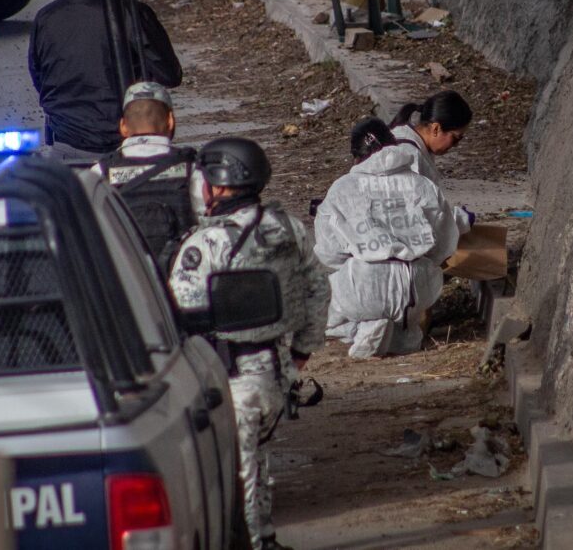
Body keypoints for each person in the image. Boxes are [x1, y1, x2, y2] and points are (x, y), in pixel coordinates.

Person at [169, 138, 328, 550]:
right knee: (256, 459)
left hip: (232, 377)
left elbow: (179, 314)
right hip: (278, 371)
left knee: (237, 472)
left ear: (220, 184)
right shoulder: (287, 226)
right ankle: (267, 537)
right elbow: (317, 286)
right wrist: (303, 347)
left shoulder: (205, 245)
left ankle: (254, 543)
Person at [314, 118, 459, 358]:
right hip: (418, 285)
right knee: (407, 325)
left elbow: (330, 254)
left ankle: (364, 326)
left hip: (365, 285)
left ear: (357, 156)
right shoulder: (422, 185)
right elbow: (444, 244)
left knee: (326, 301)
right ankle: (405, 334)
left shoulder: (343, 188)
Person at [29, 0, 182, 161]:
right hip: (124, 145)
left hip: (65, 143)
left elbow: (39, 77)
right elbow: (170, 75)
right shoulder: (131, 13)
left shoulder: (45, 17)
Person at [90, 81, 204, 273]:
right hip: (181, 277)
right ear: (170, 121)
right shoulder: (191, 168)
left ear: (123, 127)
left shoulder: (99, 173)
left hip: (127, 282)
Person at [389, 90, 475, 234]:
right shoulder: (410, 156)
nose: (456, 145)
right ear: (436, 128)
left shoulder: (403, 138)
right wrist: (460, 220)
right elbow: (422, 218)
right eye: (455, 138)